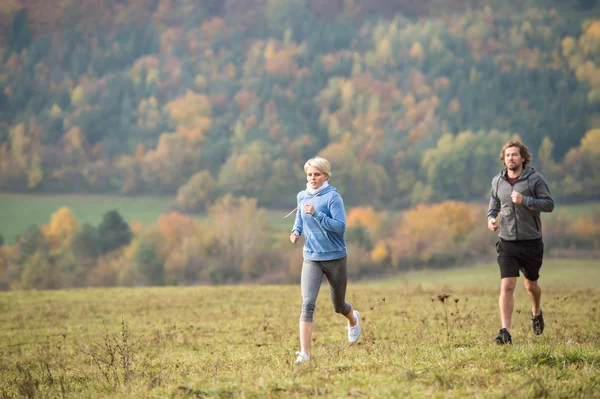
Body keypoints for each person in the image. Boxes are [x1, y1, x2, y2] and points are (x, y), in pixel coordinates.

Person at [289, 156, 361, 364]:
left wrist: (317, 214)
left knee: (338, 306)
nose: (312, 178)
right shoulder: (302, 196)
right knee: (307, 303)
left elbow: (340, 228)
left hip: (335, 258)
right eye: (310, 174)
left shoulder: (333, 197)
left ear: (326, 176)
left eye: (317, 174)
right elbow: (300, 218)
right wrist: (295, 231)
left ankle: (353, 319)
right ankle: (305, 353)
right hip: (311, 258)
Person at [487, 140, 554, 345]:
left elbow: (549, 204)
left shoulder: (535, 180)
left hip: (531, 241)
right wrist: (491, 218)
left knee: (530, 284)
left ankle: (536, 312)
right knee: (507, 284)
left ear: (523, 158)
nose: (511, 158)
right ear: (503, 158)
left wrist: (525, 200)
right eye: (507, 155)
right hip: (507, 241)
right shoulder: (498, 181)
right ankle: (505, 332)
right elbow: (494, 201)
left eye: (515, 155)